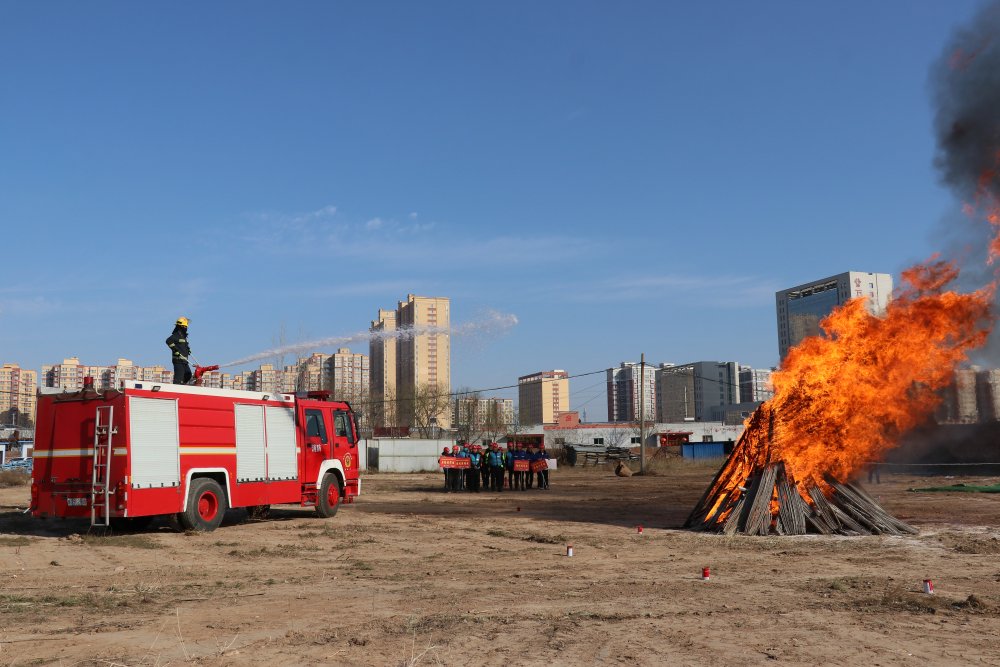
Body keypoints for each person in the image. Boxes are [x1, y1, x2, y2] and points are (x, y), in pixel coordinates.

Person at [166, 316, 192, 384]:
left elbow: (183, 345)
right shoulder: (176, 335)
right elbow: (168, 341)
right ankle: (176, 388)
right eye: (185, 326)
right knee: (178, 378)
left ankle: (182, 385)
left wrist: (188, 349)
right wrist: (175, 350)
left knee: (188, 374)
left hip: (184, 361)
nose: (186, 328)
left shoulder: (183, 336)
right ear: (181, 327)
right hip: (178, 361)